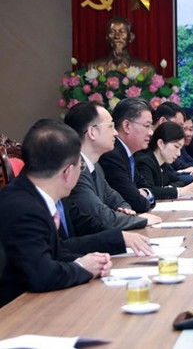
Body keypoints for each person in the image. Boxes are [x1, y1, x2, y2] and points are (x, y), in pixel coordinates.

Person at [0, 119, 112, 307]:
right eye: (80, 166)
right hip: (14, 314)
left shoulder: (30, 194)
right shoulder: (23, 207)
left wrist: (89, 261)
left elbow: (53, 252)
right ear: (68, 172)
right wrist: (83, 268)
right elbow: (43, 274)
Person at [64, 101, 161, 231]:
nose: (116, 133)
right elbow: (101, 216)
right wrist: (137, 220)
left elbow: (117, 200)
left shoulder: (95, 166)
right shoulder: (76, 170)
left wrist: (125, 213)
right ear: (92, 132)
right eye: (110, 126)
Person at [99, 98, 156, 213]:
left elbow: (148, 188)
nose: (151, 132)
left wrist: (146, 193)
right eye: (147, 126)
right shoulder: (112, 155)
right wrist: (141, 196)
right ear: (126, 126)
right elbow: (137, 203)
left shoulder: (127, 153)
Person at [135, 122, 193, 200]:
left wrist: (167, 189)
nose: (179, 153)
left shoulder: (162, 163)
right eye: (176, 146)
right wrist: (181, 191)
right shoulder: (144, 161)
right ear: (161, 144)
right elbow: (148, 191)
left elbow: (178, 180)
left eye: (180, 149)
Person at [86, 16, 155, 75]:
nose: (116, 36)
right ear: (107, 38)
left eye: (122, 32)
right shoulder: (93, 67)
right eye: (112, 32)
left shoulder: (146, 68)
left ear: (131, 37)